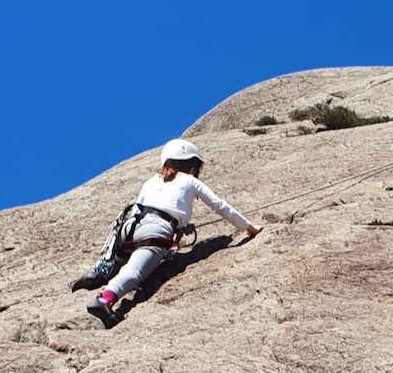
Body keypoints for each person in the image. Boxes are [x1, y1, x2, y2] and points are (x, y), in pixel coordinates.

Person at [76, 138, 261, 327]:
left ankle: (102, 270)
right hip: (156, 230)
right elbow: (220, 206)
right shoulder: (190, 180)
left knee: (127, 260)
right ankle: (105, 299)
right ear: (192, 168)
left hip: (129, 228)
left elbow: (140, 207)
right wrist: (250, 228)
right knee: (135, 271)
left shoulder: (151, 181)